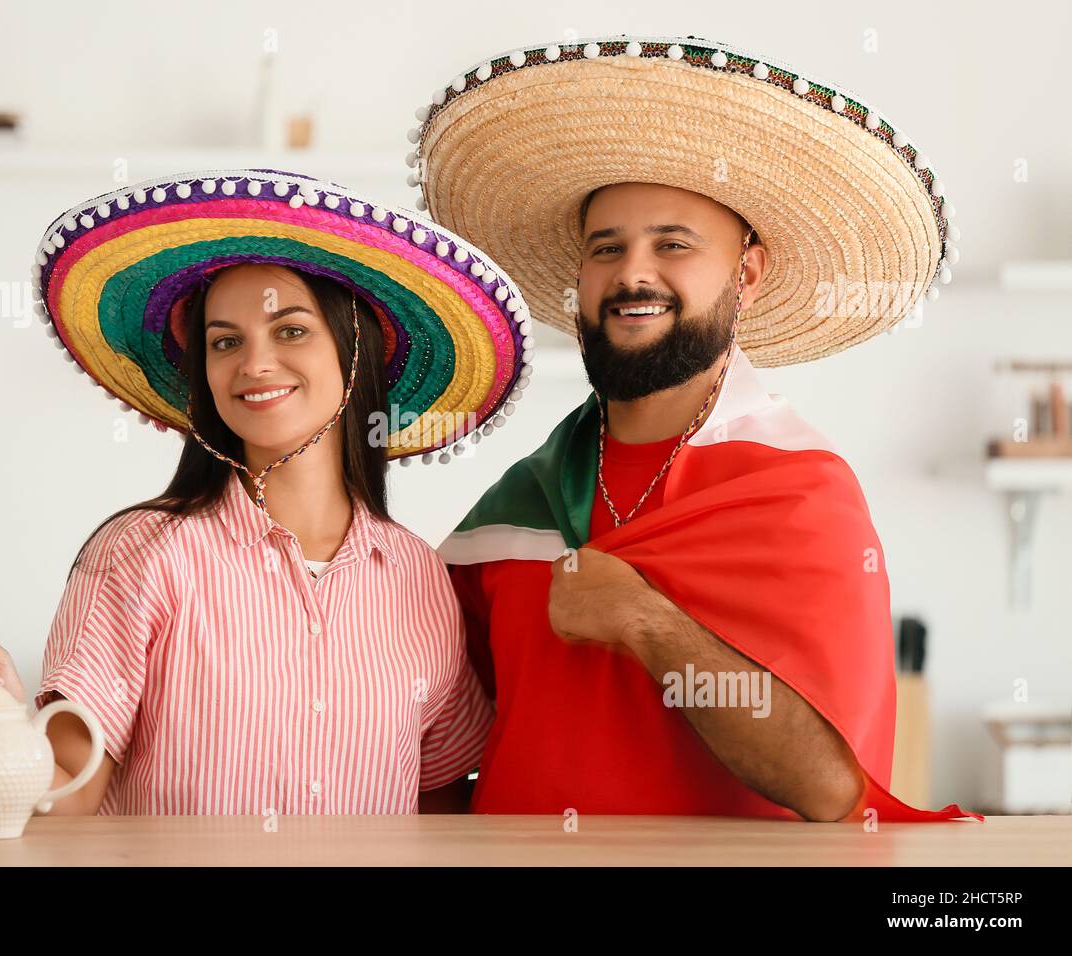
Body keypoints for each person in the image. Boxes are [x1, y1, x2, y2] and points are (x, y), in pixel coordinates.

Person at [412, 36, 979, 822]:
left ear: (745, 275)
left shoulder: (796, 491)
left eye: (672, 245)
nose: (632, 274)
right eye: (606, 249)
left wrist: (648, 623)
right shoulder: (519, 503)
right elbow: (433, 745)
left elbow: (829, 788)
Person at [0, 169, 532, 815]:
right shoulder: (139, 553)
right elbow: (69, 794)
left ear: (355, 356)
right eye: (225, 342)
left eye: (291, 330)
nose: (254, 364)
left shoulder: (416, 574)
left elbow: (436, 797)